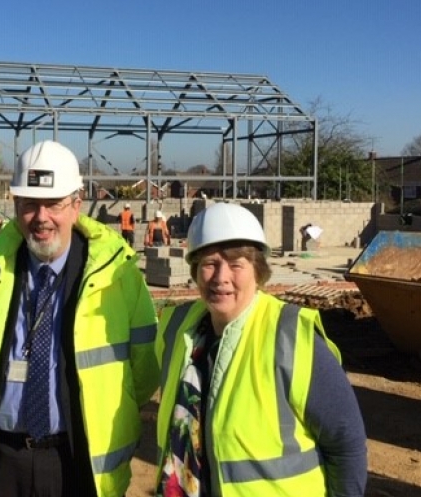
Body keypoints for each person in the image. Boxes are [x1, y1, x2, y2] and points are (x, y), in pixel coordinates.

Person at [0, 140, 160, 497]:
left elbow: (143, 373)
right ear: (15, 205)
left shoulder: (118, 275)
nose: (41, 217)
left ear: (76, 205)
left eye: (54, 203)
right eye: (29, 204)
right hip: (5, 460)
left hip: (77, 460)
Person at [155, 203, 367, 497]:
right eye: (209, 263)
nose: (221, 277)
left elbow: (346, 442)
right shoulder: (177, 330)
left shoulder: (291, 336)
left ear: (258, 270)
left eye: (236, 264)